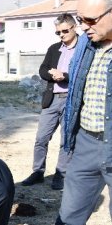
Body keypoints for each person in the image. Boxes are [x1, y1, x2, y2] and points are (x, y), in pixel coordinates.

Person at [27, 0, 112, 225]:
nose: (84, 25)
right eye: (81, 19)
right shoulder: (87, 49)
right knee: (69, 213)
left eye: (90, 19)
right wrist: (71, 143)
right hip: (87, 145)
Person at [21, 13, 78, 190]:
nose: (61, 35)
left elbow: (84, 74)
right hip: (52, 99)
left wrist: (65, 76)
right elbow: (42, 69)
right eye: (58, 32)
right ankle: (38, 172)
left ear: (74, 28)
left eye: (64, 31)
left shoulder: (84, 48)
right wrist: (52, 74)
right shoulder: (54, 48)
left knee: (65, 141)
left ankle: (61, 174)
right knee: (41, 138)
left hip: (71, 100)